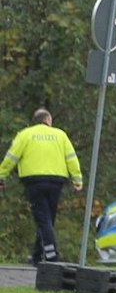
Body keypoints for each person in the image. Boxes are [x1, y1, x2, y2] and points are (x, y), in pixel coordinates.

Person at [0, 108, 83, 264]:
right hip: (56, 181)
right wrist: (77, 180)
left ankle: (52, 257)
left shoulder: (25, 135)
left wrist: (1, 177)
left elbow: (11, 157)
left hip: (34, 181)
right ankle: (37, 255)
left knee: (43, 219)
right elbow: (71, 158)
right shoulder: (60, 135)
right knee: (47, 219)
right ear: (48, 120)